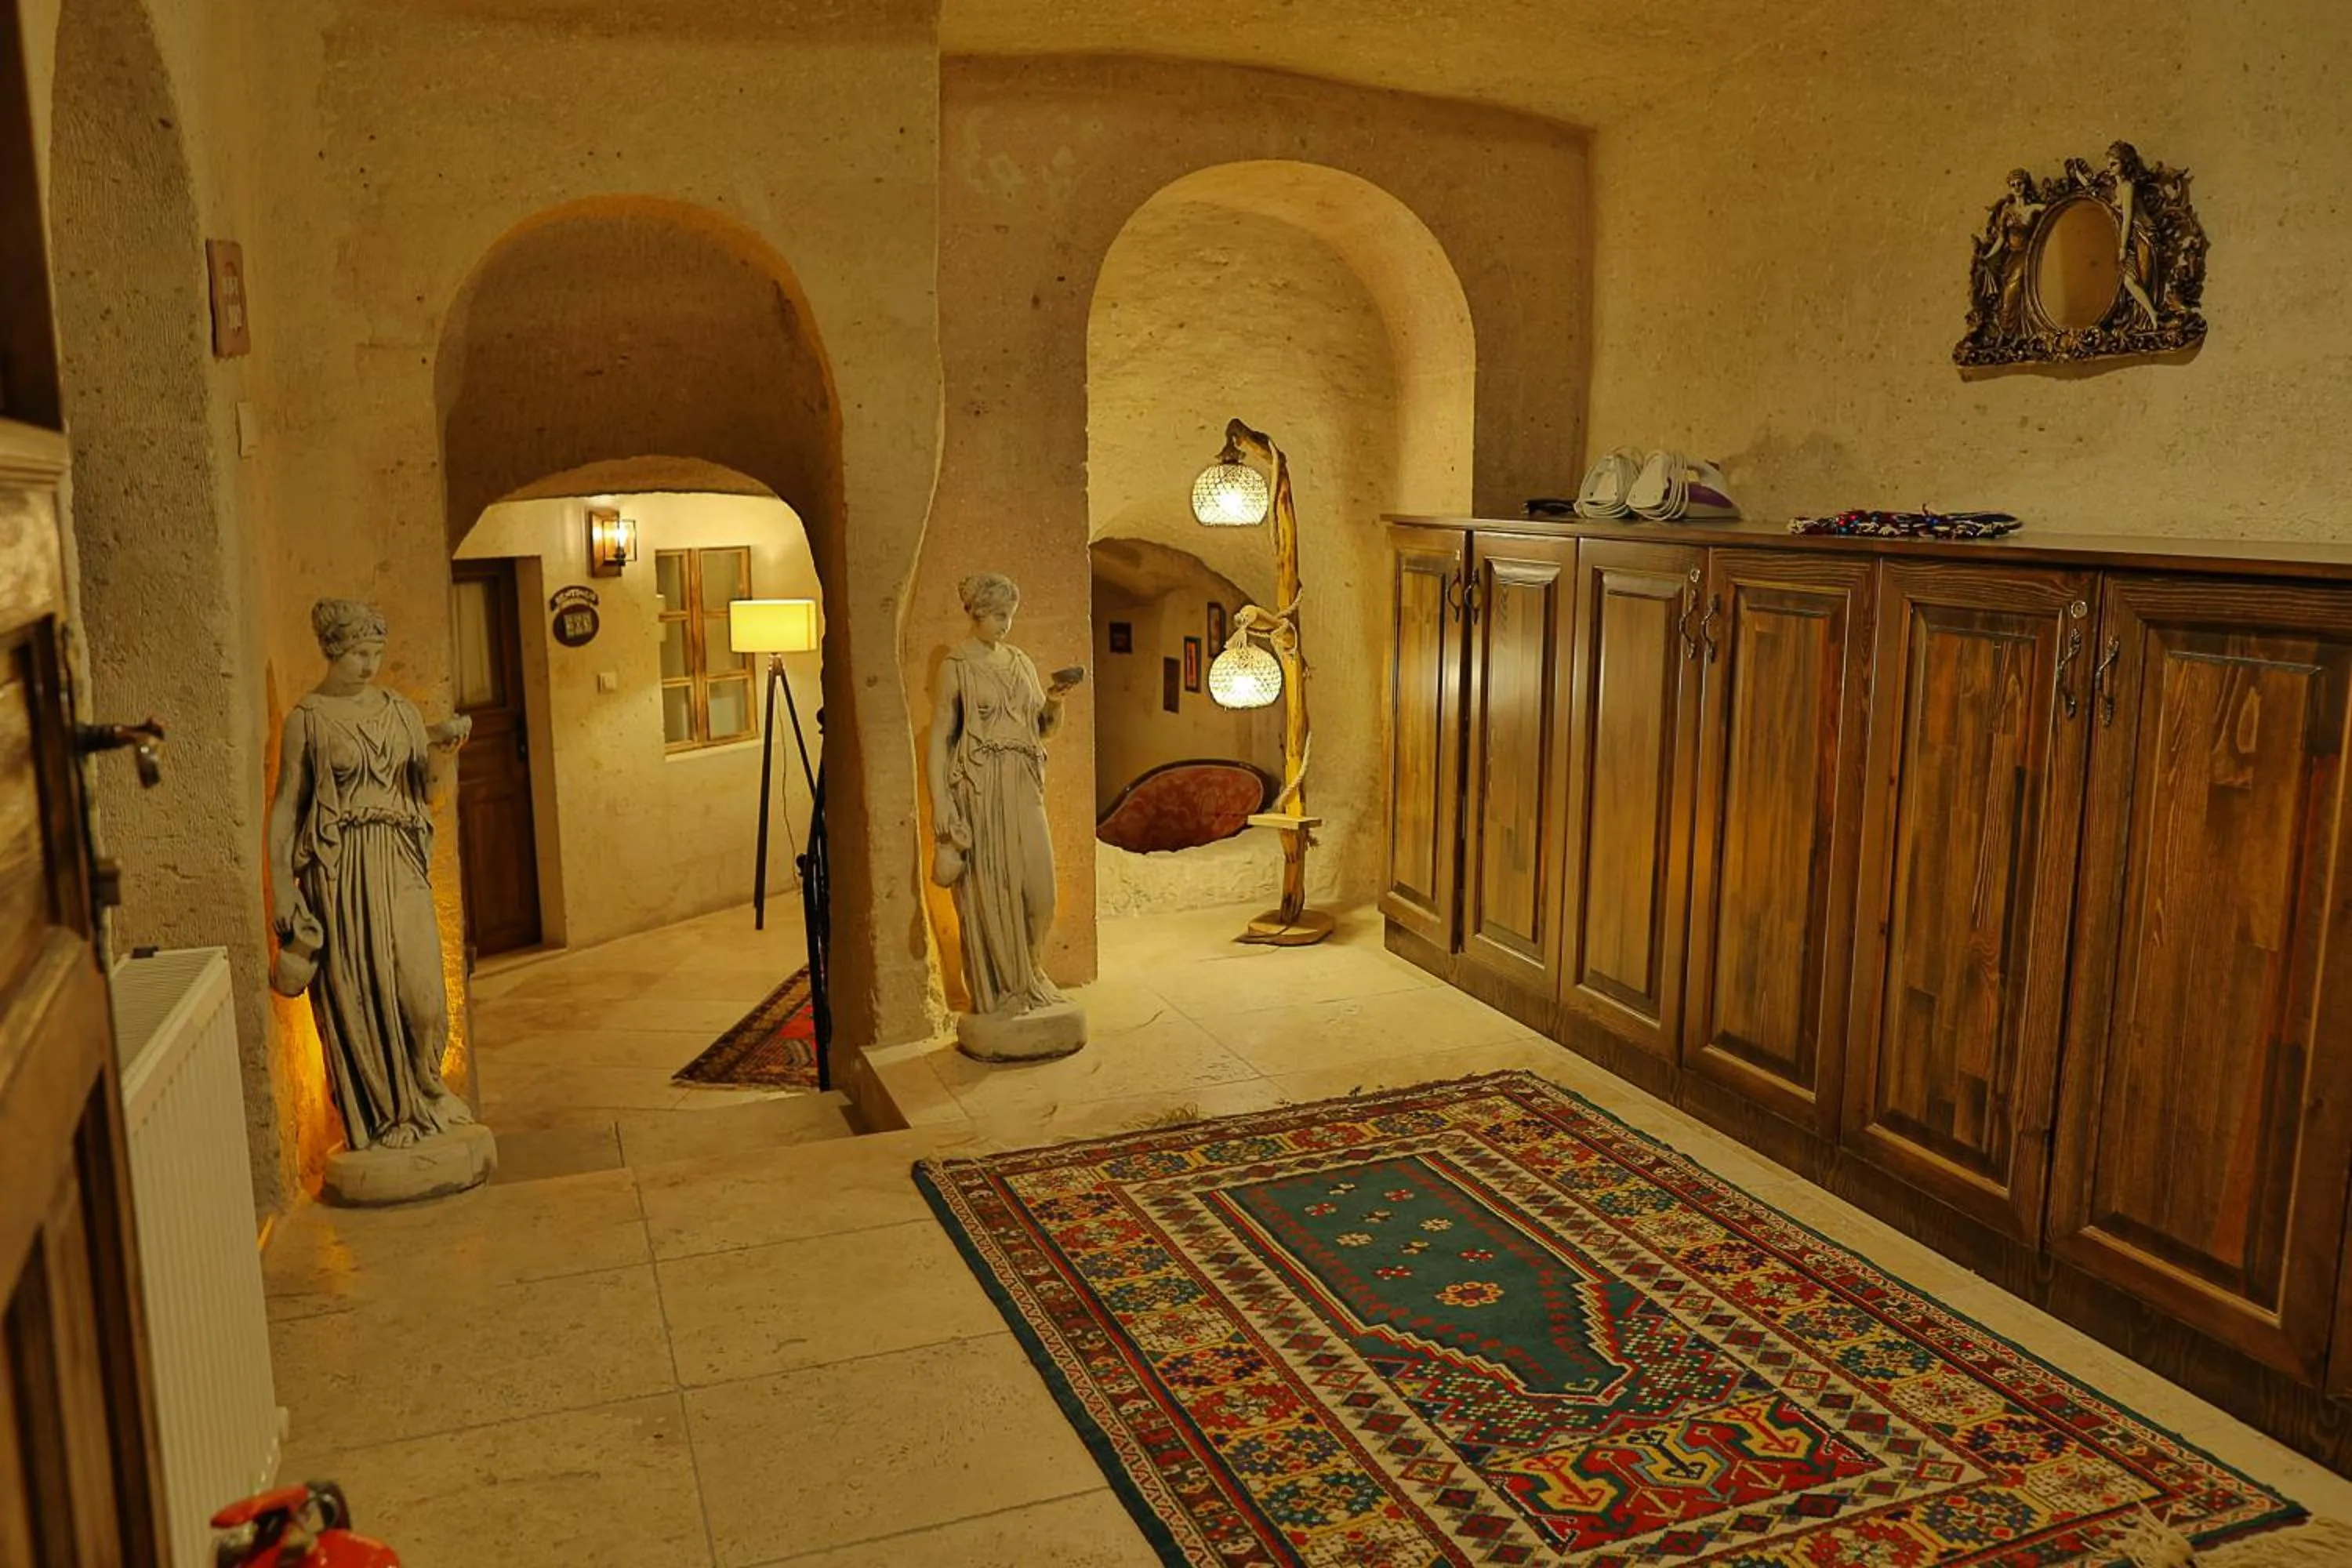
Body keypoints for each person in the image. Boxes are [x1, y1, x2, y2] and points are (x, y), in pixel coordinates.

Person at [267, 599, 474, 1150]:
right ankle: (387, 1115)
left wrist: (446, 755)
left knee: (423, 992)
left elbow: (426, 790)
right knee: (361, 989)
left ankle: (427, 1088)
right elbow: (287, 804)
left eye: (375, 652)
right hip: (341, 871)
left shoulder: (402, 712)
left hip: (399, 858)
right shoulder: (307, 721)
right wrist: (283, 886)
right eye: (359, 653)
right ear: (334, 652)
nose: (368, 664)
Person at [927, 572, 1083, 1017]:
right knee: (991, 890)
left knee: (1040, 893)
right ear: (977, 613)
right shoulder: (956, 668)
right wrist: (940, 801)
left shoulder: (1020, 662)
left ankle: (1029, 973)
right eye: (999, 616)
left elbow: (1044, 729)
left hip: (1023, 784)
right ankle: (1003, 991)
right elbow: (940, 736)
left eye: (1010, 617)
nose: (1006, 626)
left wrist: (1055, 699)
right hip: (980, 788)